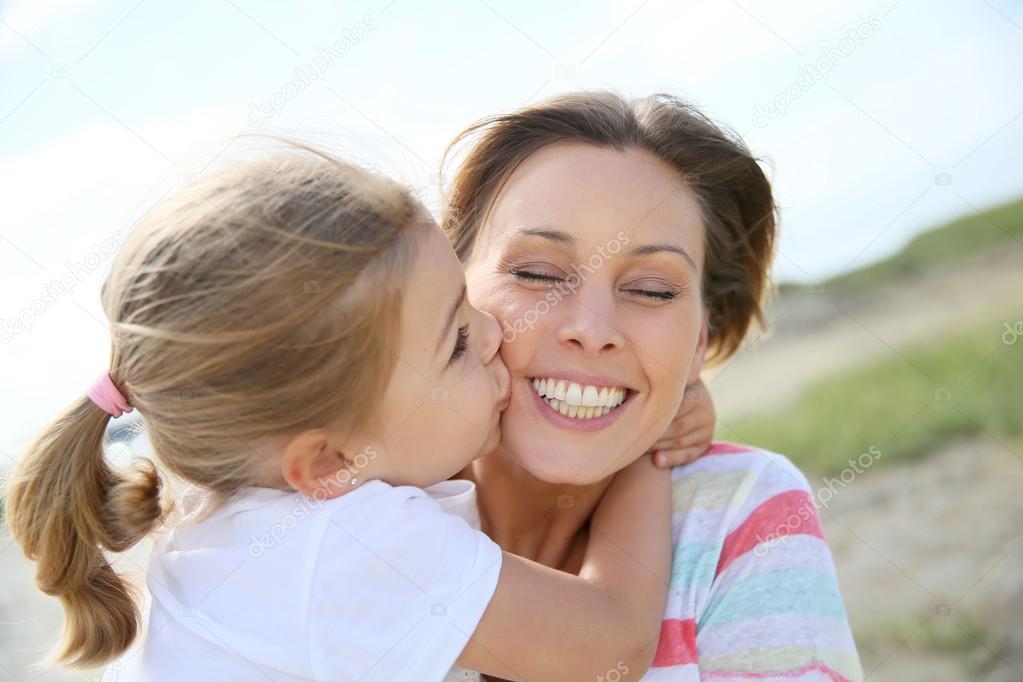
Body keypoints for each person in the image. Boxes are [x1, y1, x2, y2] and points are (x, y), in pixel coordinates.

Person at [4, 144, 678, 681]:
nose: (496, 332)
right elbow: (604, 648)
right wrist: (646, 452)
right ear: (325, 462)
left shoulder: (234, 519)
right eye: (458, 343)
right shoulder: (342, 544)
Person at [442, 91, 864, 681]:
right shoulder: (349, 498)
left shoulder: (742, 515)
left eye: (652, 290)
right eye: (537, 274)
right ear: (449, 292)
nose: (591, 330)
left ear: (698, 340)